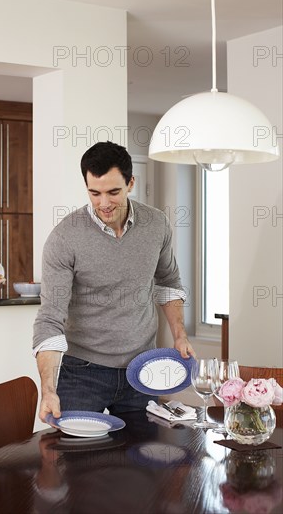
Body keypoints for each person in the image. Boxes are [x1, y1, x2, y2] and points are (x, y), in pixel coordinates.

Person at [33, 141, 195, 422]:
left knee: (142, 460)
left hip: (143, 370)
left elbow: (168, 281)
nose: (104, 204)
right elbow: (50, 319)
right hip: (82, 373)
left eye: (113, 192)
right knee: (77, 460)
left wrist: (180, 334)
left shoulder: (156, 224)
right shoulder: (64, 238)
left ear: (131, 182)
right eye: (94, 193)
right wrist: (48, 390)